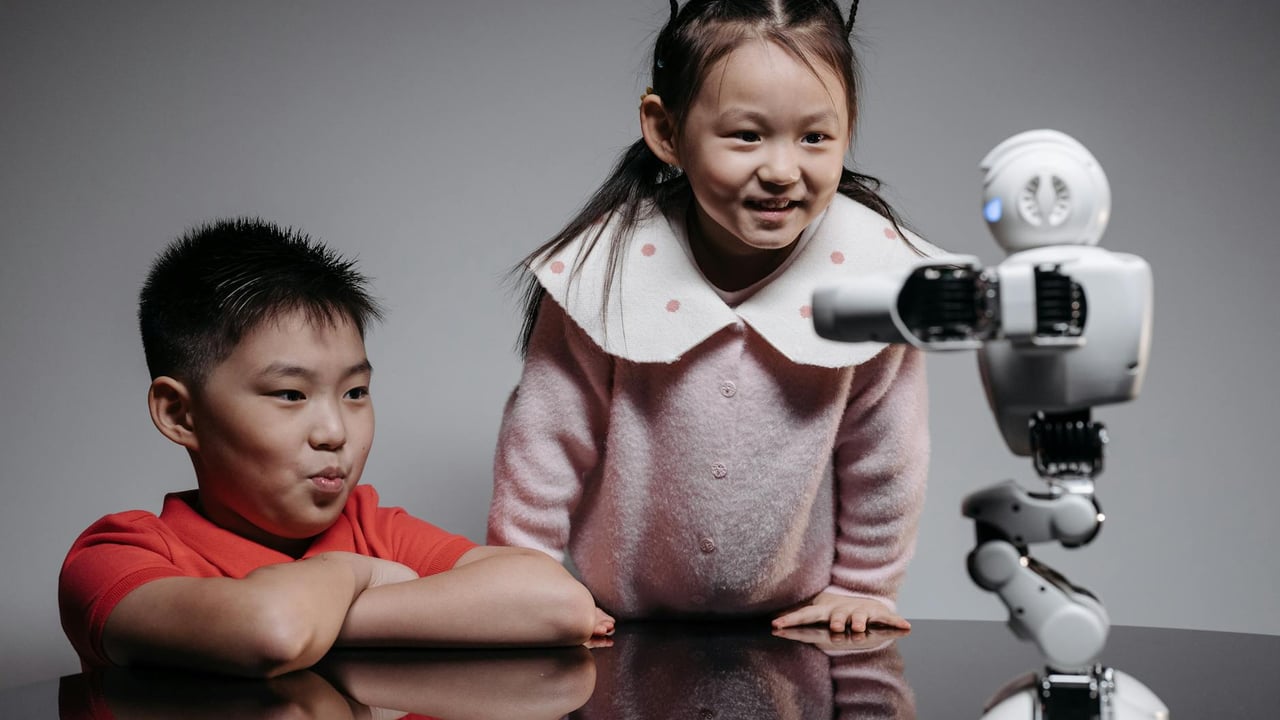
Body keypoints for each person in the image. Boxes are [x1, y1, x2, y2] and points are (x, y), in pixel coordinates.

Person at [488, 0, 940, 633]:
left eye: (815, 136)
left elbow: (887, 452)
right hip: (619, 627)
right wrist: (521, 572)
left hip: (800, 631)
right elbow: (545, 437)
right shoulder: (606, 269)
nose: (782, 170)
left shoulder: (873, 274)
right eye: (746, 135)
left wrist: (863, 587)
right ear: (666, 130)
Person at [58, 218, 604, 678]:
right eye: (291, 394)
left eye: (355, 392)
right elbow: (273, 631)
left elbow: (559, 603)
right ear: (180, 414)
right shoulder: (116, 556)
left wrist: (340, 606)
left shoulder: (372, 527)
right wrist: (353, 573)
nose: (335, 431)